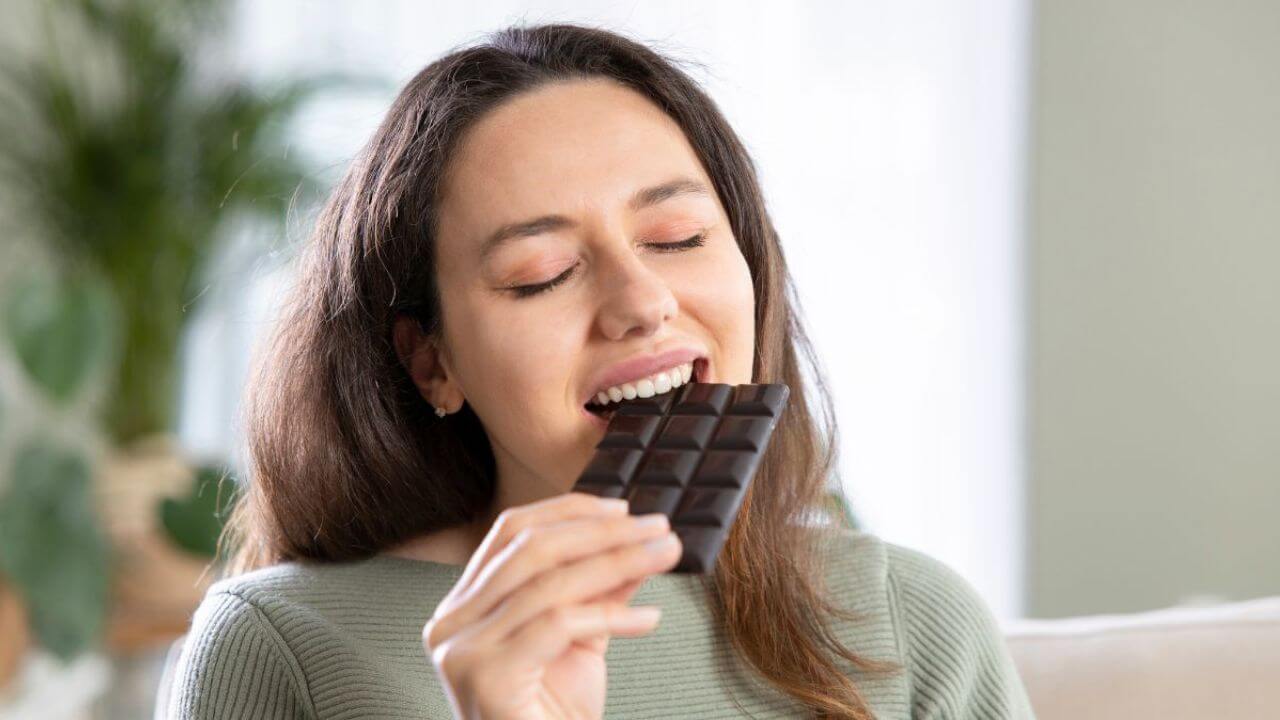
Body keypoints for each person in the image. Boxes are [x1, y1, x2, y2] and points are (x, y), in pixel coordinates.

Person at [165, 22, 1036, 720]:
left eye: (678, 238)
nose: (641, 300)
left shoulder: (907, 620)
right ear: (433, 362)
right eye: (540, 274)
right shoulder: (288, 645)